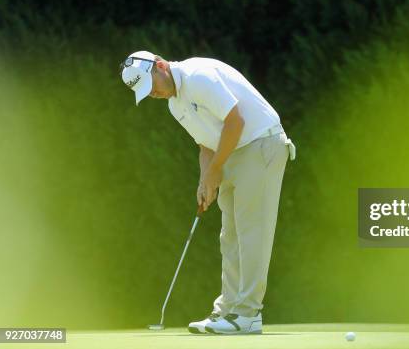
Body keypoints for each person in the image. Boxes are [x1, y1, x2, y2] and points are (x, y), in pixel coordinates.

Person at [120, 51, 295, 335]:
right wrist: (206, 180)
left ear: (161, 66)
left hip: (261, 143)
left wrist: (215, 171)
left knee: (252, 232)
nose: (152, 94)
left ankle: (248, 314)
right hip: (231, 151)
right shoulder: (175, 105)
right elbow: (206, 144)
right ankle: (226, 310)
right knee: (230, 235)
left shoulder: (198, 75)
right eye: (145, 92)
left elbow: (235, 121)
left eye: (151, 85)